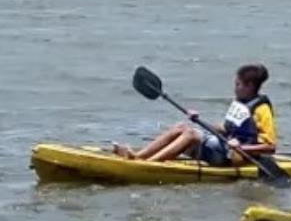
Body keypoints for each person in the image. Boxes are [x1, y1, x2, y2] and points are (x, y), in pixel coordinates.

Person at [114, 64, 276, 166]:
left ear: (249, 86)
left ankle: (148, 165)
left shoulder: (262, 110)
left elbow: (270, 147)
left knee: (191, 134)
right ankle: (138, 156)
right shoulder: (240, 103)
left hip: (234, 157)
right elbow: (225, 129)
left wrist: (242, 147)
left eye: (238, 84)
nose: (235, 88)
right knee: (181, 127)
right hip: (224, 147)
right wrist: (198, 119)